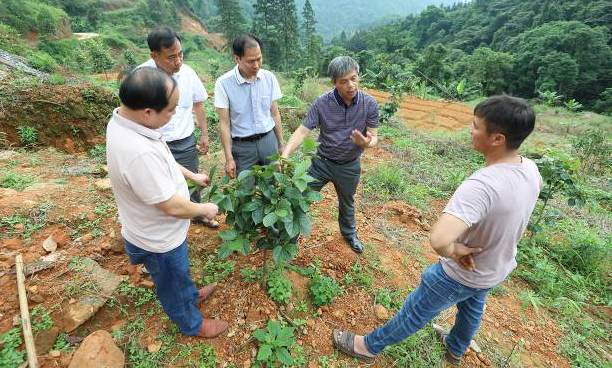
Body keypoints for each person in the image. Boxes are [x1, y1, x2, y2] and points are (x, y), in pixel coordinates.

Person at [331, 95, 540, 364]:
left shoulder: (483, 185)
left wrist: (454, 250)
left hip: (461, 272)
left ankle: (368, 347)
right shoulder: (530, 169)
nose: (471, 130)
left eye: (476, 126)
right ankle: (455, 348)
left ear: (497, 138)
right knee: (473, 306)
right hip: (495, 267)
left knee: (416, 311)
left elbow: (439, 239)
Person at [106, 67, 228, 338]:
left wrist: (190, 175)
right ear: (148, 111)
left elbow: (163, 161)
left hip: (160, 231)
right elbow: (170, 206)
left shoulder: (128, 121)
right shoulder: (136, 151)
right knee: (171, 282)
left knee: (179, 274)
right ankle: (191, 323)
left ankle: (190, 295)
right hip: (158, 239)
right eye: (171, 110)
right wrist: (204, 209)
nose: (174, 115)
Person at [282, 56, 379, 254]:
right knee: (300, 196)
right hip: (322, 164)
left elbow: (374, 136)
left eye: (353, 78)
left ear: (358, 76)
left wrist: (367, 143)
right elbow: (302, 131)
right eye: (343, 81)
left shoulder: (369, 103)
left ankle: (349, 233)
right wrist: (285, 153)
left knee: (347, 201)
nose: (350, 85)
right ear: (333, 82)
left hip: (350, 165)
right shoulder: (321, 104)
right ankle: (289, 236)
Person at [137, 27, 218, 228]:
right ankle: (163, 221)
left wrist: (204, 135)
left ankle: (197, 213)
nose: (178, 61)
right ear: (154, 56)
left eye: (181, 54)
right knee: (158, 184)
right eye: (171, 57)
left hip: (184, 140)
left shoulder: (188, 73)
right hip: (154, 141)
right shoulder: (141, 78)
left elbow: (198, 104)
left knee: (192, 180)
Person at [214, 34, 284, 178]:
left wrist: (281, 144)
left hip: (268, 142)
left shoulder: (269, 78)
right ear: (237, 59)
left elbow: (275, 114)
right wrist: (229, 158)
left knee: (274, 186)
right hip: (242, 147)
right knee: (245, 191)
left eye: (259, 59)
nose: (256, 65)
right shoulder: (224, 84)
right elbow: (225, 123)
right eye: (251, 61)